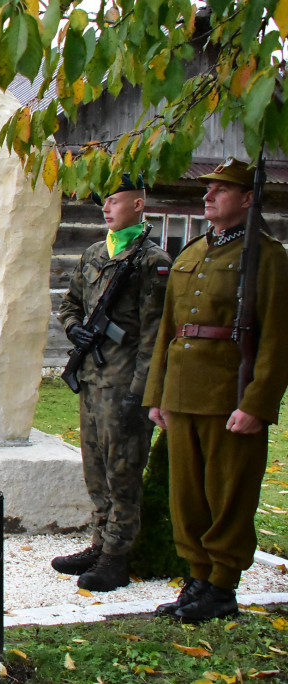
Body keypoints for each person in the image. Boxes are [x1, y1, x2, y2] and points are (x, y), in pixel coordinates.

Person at [145, 158, 288, 622]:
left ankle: (223, 585)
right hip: (183, 393)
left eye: (220, 190)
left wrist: (257, 403)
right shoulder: (190, 254)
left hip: (230, 393)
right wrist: (158, 395)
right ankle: (198, 578)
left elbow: (278, 339)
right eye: (207, 189)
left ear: (247, 199)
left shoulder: (265, 256)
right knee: (186, 495)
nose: (207, 196)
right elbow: (169, 329)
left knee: (228, 493)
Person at [51, 173, 172, 591]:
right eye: (104, 202)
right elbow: (69, 305)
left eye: (115, 201)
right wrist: (74, 331)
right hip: (92, 380)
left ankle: (117, 558)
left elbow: (155, 337)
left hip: (125, 386)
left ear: (138, 205)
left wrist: (140, 394)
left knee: (123, 474)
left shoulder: (150, 261)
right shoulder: (93, 254)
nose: (106, 208)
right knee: (96, 470)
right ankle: (100, 542)